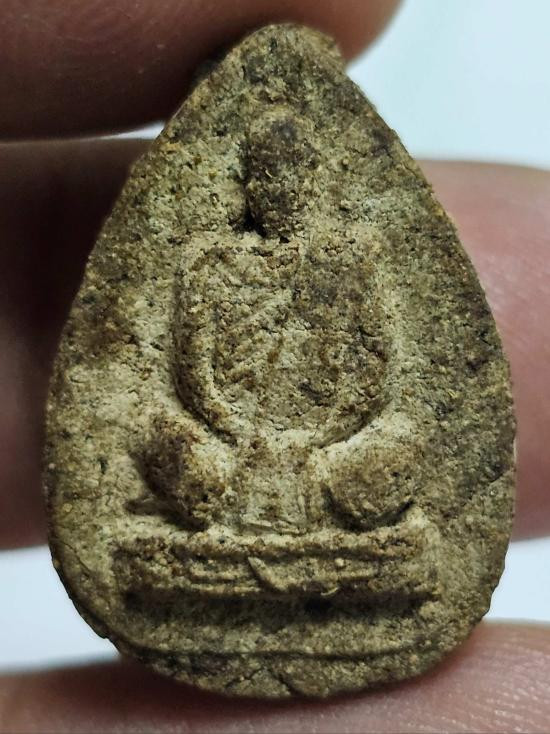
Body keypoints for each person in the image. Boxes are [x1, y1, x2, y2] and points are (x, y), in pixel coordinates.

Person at [0, 1, 548, 731]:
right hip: (229, 453)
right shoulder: (210, 261)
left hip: (330, 459)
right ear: (250, 185)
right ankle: (250, 552)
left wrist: (313, 442)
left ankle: (303, 554)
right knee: (159, 443)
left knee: (405, 448)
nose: (279, 191)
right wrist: (244, 437)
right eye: (265, 178)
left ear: (312, 181)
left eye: (292, 177)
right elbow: (193, 375)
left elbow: (373, 377)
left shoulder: (351, 258)